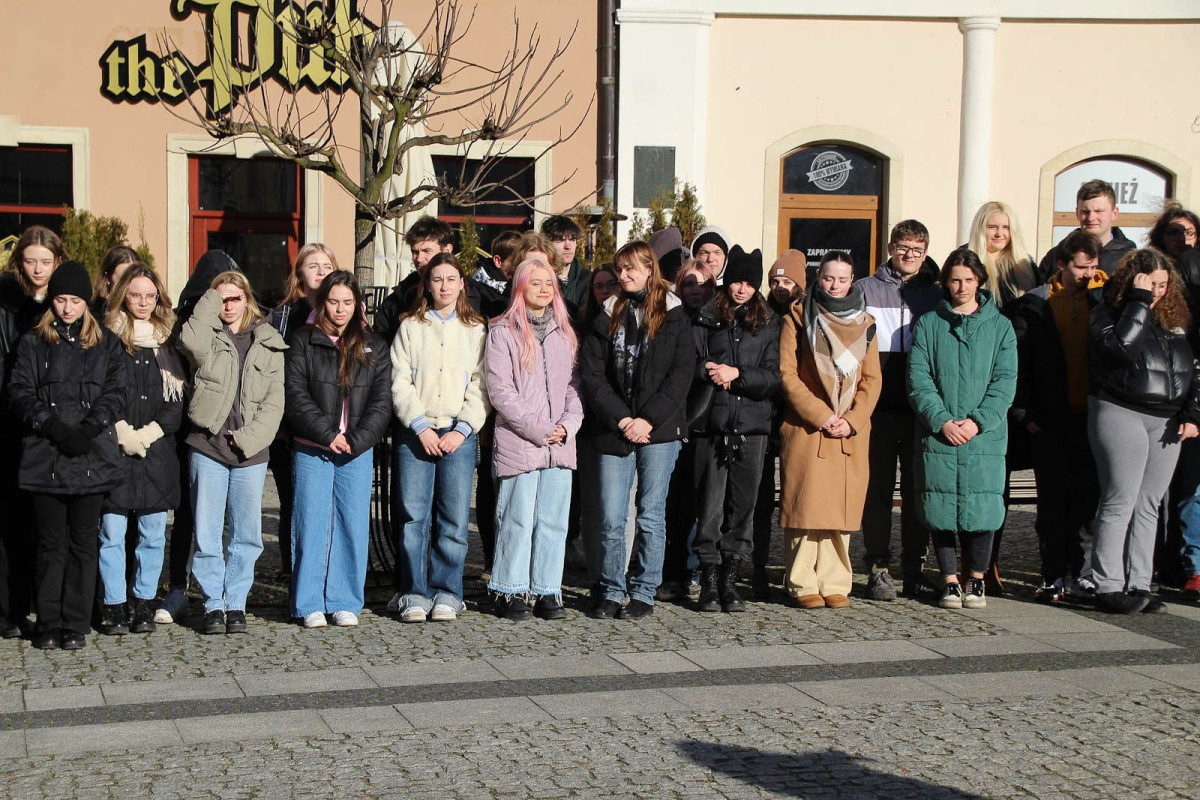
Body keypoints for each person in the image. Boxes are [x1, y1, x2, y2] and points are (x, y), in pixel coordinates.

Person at [8, 261, 127, 649]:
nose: (68, 308)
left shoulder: (106, 343)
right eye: (61, 300)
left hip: (91, 455)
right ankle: (49, 622)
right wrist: (52, 426)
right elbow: (19, 392)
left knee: (83, 543)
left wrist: (90, 429)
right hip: (46, 456)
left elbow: (116, 391)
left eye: (75, 300)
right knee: (49, 544)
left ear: (86, 303)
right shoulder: (32, 342)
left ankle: (75, 623)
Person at [581, 241, 696, 620]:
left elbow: (680, 376)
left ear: (649, 269)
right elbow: (594, 376)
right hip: (614, 428)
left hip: (659, 431)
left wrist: (647, 420)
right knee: (612, 517)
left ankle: (645, 590)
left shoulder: (675, 314)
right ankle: (612, 589)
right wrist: (623, 420)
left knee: (650, 513)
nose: (623, 275)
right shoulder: (607, 314)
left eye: (630, 268)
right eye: (620, 269)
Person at [1088, 248, 1199, 613]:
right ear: (1135, 281)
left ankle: (1140, 584)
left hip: (1167, 419)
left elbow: (1193, 367)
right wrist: (1138, 302)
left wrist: (1193, 413)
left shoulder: (1175, 317)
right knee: (1119, 499)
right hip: (1121, 410)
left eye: (1163, 285)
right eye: (1152, 284)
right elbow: (1120, 349)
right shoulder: (1107, 311)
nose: (1158, 292)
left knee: (1149, 503)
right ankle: (1108, 584)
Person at [908, 247, 1017, 610]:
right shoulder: (929, 323)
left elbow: (1004, 382)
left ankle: (978, 579)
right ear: (946, 282)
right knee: (939, 505)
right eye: (955, 280)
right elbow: (919, 378)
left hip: (983, 434)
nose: (962, 287)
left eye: (969, 280)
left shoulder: (1000, 327)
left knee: (983, 506)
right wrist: (940, 420)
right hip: (939, 431)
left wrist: (977, 421)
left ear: (980, 281)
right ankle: (950, 580)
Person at [178, 270, 286, 635]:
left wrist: (248, 439)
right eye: (221, 299)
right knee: (207, 531)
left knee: (247, 533)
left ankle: (236, 601)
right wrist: (210, 298)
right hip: (207, 444)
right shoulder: (206, 334)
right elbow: (189, 342)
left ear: (247, 299)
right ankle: (213, 602)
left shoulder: (269, 340)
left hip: (249, 451)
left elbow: (274, 402)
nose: (228, 305)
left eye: (234, 298)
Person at [286, 271, 391, 629]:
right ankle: (309, 602)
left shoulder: (374, 346)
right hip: (313, 446)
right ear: (322, 302)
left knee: (352, 523)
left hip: (356, 449)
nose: (340, 309)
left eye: (348, 302)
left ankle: (344, 599)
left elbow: (381, 403)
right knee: (311, 522)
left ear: (358, 304)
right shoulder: (302, 341)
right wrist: (327, 433)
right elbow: (295, 395)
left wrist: (357, 440)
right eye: (333, 301)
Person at [779, 251, 881, 609]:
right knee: (806, 507)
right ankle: (801, 581)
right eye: (828, 278)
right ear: (818, 278)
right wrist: (822, 416)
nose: (834, 285)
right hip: (810, 427)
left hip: (848, 431)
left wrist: (851, 420)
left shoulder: (866, 323)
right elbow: (787, 374)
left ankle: (835, 581)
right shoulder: (797, 316)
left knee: (840, 509)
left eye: (841, 279)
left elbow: (872, 380)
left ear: (852, 280)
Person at [1009, 231, 1107, 602]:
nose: (1088, 274)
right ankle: (1052, 576)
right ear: (1062, 264)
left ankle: (1083, 574)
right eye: (1081, 268)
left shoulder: (1105, 297)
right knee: (1051, 503)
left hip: (1092, 416)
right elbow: (1019, 361)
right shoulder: (1035, 303)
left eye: (1093, 267)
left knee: (1087, 502)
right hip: (1048, 418)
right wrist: (1023, 412)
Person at [389, 254, 487, 623]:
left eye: (451, 279)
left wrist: (463, 428)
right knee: (413, 517)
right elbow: (399, 380)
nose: (444, 286)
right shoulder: (411, 327)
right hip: (416, 432)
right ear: (427, 285)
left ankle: (448, 591)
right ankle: (414, 592)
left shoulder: (475, 330)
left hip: (458, 434)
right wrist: (419, 425)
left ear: (462, 284)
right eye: (437, 279)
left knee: (454, 518)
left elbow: (482, 383)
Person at [485, 256, 583, 620]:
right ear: (521, 286)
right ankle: (509, 589)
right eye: (535, 282)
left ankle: (547, 590)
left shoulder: (564, 333)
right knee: (517, 518)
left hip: (560, 443)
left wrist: (568, 424)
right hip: (521, 441)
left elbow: (574, 386)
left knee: (554, 520)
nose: (543, 289)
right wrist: (538, 428)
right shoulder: (502, 332)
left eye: (548, 283)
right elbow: (501, 390)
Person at [96, 264, 187, 635]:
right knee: (112, 535)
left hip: (156, 452)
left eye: (150, 296)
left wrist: (147, 435)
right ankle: (113, 605)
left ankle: (143, 602)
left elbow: (176, 401)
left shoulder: (168, 341)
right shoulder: (106, 338)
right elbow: (98, 392)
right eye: (136, 295)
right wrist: (121, 431)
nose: (143, 302)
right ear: (123, 296)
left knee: (151, 536)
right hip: (114, 449)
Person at [690, 246, 781, 612]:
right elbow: (689, 361)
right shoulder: (707, 315)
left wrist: (738, 374)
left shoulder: (768, 322)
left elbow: (774, 377)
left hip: (752, 427)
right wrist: (709, 370)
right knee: (709, 506)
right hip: (712, 423)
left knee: (743, 508)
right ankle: (709, 580)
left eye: (749, 283)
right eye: (737, 282)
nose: (742, 289)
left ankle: (730, 579)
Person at [857, 220, 942, 600]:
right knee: (876, 491)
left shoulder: (935, 295)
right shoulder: (865, 289)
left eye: (917, 250)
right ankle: (877, 566)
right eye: (903, 248)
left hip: (919, 410)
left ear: (925, 254)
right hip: (876, 409)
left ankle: (914, 568)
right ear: (891, 248)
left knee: (916, 492)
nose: (909, 255)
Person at [155, 249, 240, 625]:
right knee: (187, 515)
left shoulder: (242, 325)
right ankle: (179, 587)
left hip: (227, 431)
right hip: (187, 430)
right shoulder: (185, 326)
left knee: (224, 518)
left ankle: (226, 594)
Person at [0, 226, 63, 639]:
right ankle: (10, 609)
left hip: (54, 425)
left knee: (49, 526)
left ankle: (50, 608)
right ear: (18, 262)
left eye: (45, 261)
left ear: (57, 261)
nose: (38, 269)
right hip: (10, 420)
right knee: (11, 521)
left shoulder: (67, 299)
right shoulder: (6, 300)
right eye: (30, 261)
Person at [267, 244, 337, 583]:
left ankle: (326, 571)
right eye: (313, 265)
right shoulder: (282, 317)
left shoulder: (344, 312)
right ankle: (293, 569)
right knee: (293, 501)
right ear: (299, 274)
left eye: (327, 265)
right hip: (288, 425)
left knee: (328, 504)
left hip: (332, 424)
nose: (321, 271)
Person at [658, 262, 717, 602]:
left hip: (705, 423)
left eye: (704, 284)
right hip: (671, 418)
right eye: (689, 283)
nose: (697, 290)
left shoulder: (718, 322)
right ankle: (671, 571)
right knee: (671, 503)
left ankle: (693, 571)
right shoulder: (670, 319)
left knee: (698, 503)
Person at [753, 248, 807, 598]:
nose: (780, 287)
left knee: (796, 495)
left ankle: (795, 568)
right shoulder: (762, 314)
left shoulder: (809, 315)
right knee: (760, 498)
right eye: (774, 281)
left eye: (787, 281)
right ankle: (757, 565)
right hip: (764, 416)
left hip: (799, 417)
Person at [373, 216, 455, 343]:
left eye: (427, 251)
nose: (419, 259)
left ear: (447, 250)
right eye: (415, 252)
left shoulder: (473, 295)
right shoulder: (398, 300)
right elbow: (380, 344)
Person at [1036, 179, 1135, 283]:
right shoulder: (1057, 256)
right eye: (1085, 211)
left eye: (1098, 211)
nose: (1091, 218)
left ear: (1114, 213)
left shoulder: (1129, 258)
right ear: (1077, 213)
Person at [967, 201, 1037, 309]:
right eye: (992, 227)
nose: (999, 233)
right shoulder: (965, 261)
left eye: (1006, 227)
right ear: (980, 228)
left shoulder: (1025, 264)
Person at [542, 214, 591, 311]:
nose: (568, 246)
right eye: (560, 240)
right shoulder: (538, 277)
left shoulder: (589, 280)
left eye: (572, 240)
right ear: (547, 244)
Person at [91, 245, 139, 317]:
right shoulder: (95, 315)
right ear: (107, 277)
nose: (129, 283)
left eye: (134, 277)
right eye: (123, 278)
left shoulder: (150, 312)